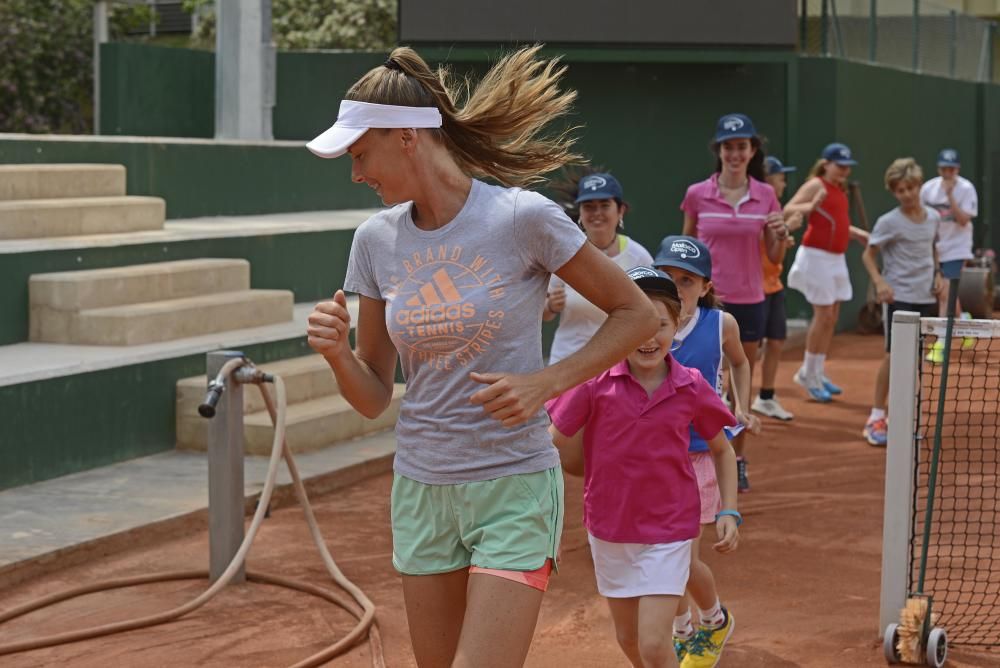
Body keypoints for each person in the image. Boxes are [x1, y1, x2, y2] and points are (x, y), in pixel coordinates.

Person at [304, 46, 660, 668]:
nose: (357, 174)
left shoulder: (523, 218)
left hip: (514, 484)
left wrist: (544, 384)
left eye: (360, 154)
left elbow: (637, 313)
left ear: (407, 137)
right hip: (421, 487)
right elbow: (373, 396)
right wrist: (337, 355)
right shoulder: (373, 241)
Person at [548, 266, 740, 668]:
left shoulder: (691, 386)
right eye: (637, 325)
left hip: (670, 530)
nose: (649, 337)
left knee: (654, 645)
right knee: (630, 640)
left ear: (678, 324)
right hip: (609, 528)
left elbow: (722, 450)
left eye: (660, 324)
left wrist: (728, 510)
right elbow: (554, 440)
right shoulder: (592, 382)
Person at [652, 236, 752, 666]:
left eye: (686, 281)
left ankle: (713, 620)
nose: (676, 288)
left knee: (680, 559)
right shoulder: (645, 322)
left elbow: (741, 362)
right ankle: (683, 629)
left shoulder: (720, 324)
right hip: (653, 454)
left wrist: (742, 402)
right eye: (668, 278)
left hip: (699, 454)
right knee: (659, 553)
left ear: (705, 286)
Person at [680, 113, 785, 491]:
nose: (735, 153)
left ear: (752, 150)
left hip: (750, 299)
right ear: (719, 151)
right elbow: (686, 249)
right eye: (728, 146)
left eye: (742, 146)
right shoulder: (697, 194)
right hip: (706, 301)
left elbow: (773, 256)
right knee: (700, 377)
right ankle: (692, 453)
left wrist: (782, 235)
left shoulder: (767, 195)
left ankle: (736, 458)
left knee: (741, 377)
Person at [861, 158, 944, 446]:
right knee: (894, 357)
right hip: (899, 298)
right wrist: (880, 283)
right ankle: (876, 416)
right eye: (899, 190)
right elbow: (868, 255)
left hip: (925, 297)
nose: (906, 194)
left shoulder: (933, 218)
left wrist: (938, 274)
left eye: (910, 188)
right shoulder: (889, 221)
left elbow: (933, 249)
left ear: (919, 186)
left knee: (916, 360)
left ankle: (904, 419)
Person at [785, 142, 870, 402]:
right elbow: (788, 209)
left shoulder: (839, 189)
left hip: (836, 258)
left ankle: (817, 371)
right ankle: (808, 375)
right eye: (840, 165)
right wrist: (809, 207)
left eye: (847, 166)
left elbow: (836, 220)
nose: (844, 170)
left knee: (831, 316)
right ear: (826, 164)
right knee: (822, 315)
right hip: (816, 257)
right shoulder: (816, 185)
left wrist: (854, 233)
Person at [544, 171, 654, 364]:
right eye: (589, 206)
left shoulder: (639, 256)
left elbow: (653, 313)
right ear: (580, 212)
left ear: (621, 211)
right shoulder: (564, 252)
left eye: (604, 205)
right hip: (567, 362)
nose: (597, 213)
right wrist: (551, 306)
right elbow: (543, 314)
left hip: (619, 364)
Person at [753, 156, 802, 421]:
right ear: (769, 178)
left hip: (773, 284)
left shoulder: (774, 205)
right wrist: (788, 227)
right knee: (748, 346)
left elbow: (773, 249)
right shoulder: (760, 205)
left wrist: (785, 238)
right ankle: (729, 394)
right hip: (754, 287)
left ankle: (766, 397)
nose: (784, 182)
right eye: (781, 177)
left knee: (776, 341)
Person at [920, 148, 979, 363]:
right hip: (935, 247)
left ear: (958, 169)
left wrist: (950, 195)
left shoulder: (966, 189)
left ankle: (941, 344)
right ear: (939, 168)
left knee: (944, 293)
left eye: (951, 168)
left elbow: (963, 220)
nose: (948, 172)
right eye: (944, 168)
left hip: (957, 247)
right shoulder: (927, 189)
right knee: (946, 293)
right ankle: (963, 319)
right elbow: (922, 217)